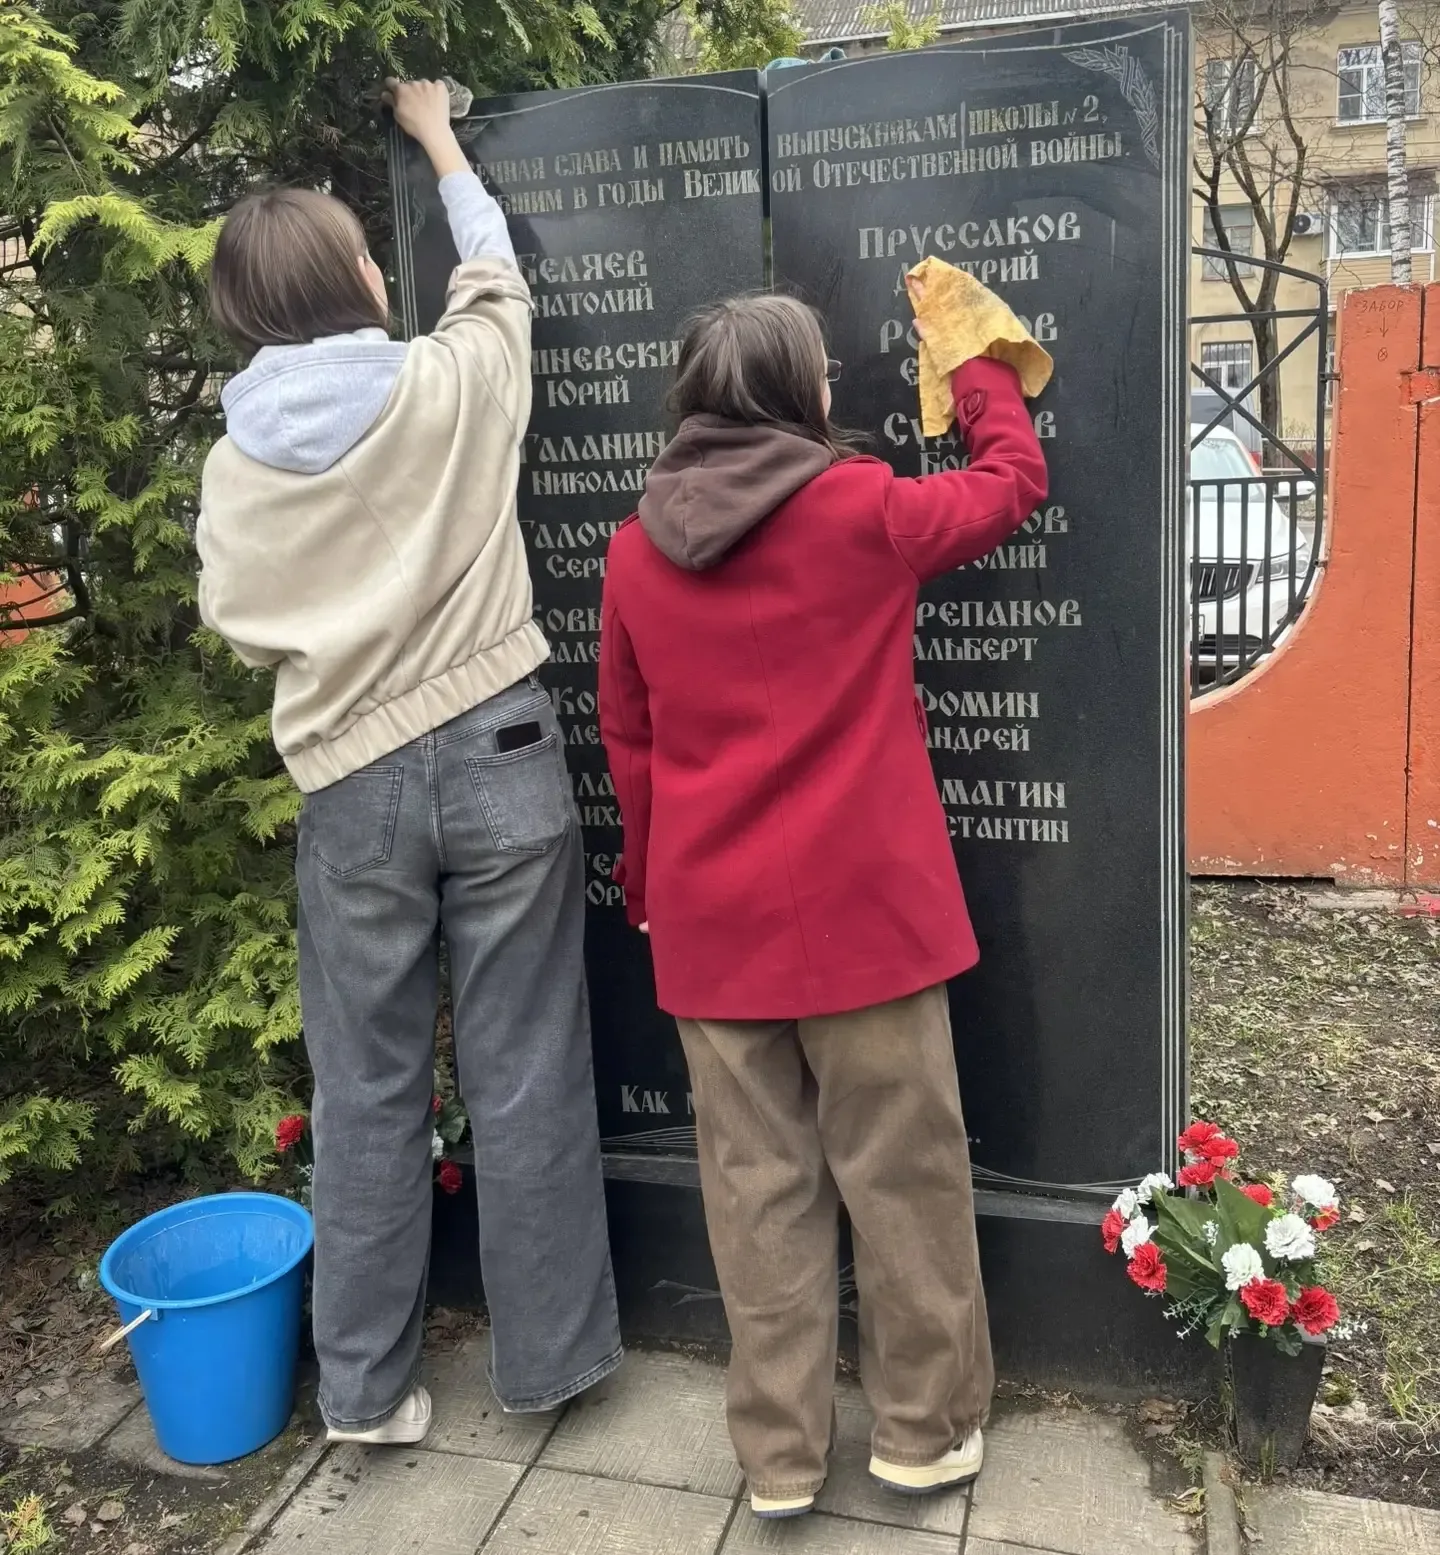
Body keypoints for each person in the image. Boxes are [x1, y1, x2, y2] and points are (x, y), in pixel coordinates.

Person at [197, 79, 621, 1445]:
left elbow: (236, 620)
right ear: (357, 280)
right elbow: (494, 274)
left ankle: (366, 1391)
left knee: (366, 1084)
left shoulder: (234, 470)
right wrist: (438, 137)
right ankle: (550, 1365)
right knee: (527, 1062)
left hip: (351, 780)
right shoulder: (449, 380)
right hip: (502, 742)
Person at [598, 292, 1047, 1517]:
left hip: (711, 923)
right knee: (904, 1177)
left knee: (755, 1194)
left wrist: (648, 885)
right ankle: (923, 1431)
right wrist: (977, 368)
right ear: (800, 393)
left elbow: (630, 741)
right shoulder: (863, 509)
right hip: (870, 917)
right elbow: (1010, 484)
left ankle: (781, 1458)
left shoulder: (634, 553)